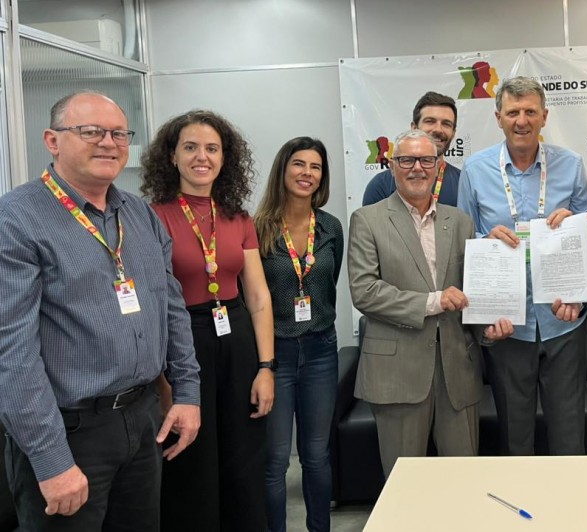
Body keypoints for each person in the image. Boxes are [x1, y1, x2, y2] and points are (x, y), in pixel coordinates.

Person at [0, 91, 201, 531]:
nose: (108, 142)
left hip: (141, 418)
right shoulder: (16, 219)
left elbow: (172, 309)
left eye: (118, 133)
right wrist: (51, 460)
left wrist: (187, 393)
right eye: (90, 131)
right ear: (52, 140)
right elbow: (11, 352)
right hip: (70, 433)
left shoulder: (139, 214)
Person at [348, 130, 513, 477]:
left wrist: (489, 329)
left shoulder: (461, 221)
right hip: (398, 373)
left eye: (426, 160)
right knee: (403, 484)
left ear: (439, 167)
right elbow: (364, 291)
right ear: (392, 166)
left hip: (458, 370)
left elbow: (473, 291)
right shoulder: (368, 219)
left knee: (463, 481)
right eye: (406, 160)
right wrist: (433, 301)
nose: (416, 168)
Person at [141, 110, 276, 532]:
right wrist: (164, 383)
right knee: (192, 461)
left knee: (243, 459)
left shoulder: (238, 217)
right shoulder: (152, 216)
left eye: (212, 148)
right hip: (184, 342)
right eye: (191, 147)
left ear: (225, 158)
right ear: (172, 156)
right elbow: (152, 305)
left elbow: (257, 296)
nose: (203, 157)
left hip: (236, 339)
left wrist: (266, 368)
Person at [458, 76, 587, 456]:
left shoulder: (572, 165)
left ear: (544, 116)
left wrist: (574, 224)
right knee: (515, 436)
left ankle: (569, 511)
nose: (522, 120)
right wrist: (486, 243)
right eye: (513, 112)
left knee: (569, 433)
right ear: (498, 117)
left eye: (530, 111)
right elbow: (464, 246)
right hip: (506, 325)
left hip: (563, 319)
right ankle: (523, 512)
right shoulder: (475, 169)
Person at [255, 137, 344, 532]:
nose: (307, 173)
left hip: (322, 349)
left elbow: (330, 282)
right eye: (299, 164)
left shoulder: (330, 227)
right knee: (275, 460)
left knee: (316, 454)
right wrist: (265, 364)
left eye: (316, 167)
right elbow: (253, 299)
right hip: (276, 355)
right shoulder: (257, 229)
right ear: (283, 169)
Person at [362, 91, 462, 206]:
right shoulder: (381, 185)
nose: (438, 129)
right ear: (414, 128)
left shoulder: (462, 184)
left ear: (453, 133)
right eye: (430, 121)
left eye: (446, 124)